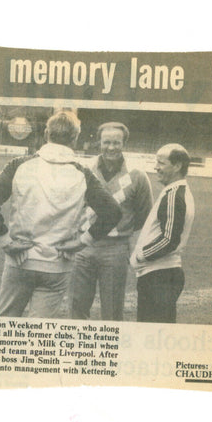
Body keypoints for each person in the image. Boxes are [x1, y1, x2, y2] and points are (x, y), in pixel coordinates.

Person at [0, 110, 121, 318]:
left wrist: (5, 241)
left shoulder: (19, 165)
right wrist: (83, 241)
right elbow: (113, 212)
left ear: (47, 134)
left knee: (4, 326)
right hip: (57, 264)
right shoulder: (83, 173)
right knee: (38, 335)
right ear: (75, 138)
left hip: (20, 260)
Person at [69, 122, 153, 321]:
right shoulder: (83, 169)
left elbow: (144, 215)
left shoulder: (137, 175)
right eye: (107, 142)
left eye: (116, 142)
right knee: (77, 307)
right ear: (99, 142)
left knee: (112, 311)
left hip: (115, 249)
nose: (111, 147)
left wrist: (131, 245)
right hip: (83, 247)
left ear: (124, 143)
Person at [130, 144, 196, 323]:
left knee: (150, 336)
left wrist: (140, 256)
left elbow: (169, 240)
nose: (156, 167)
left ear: (177, 166)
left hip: (159, 277)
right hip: (160, 275)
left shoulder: (174, 195)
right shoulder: (174, 192)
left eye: (161, 163)